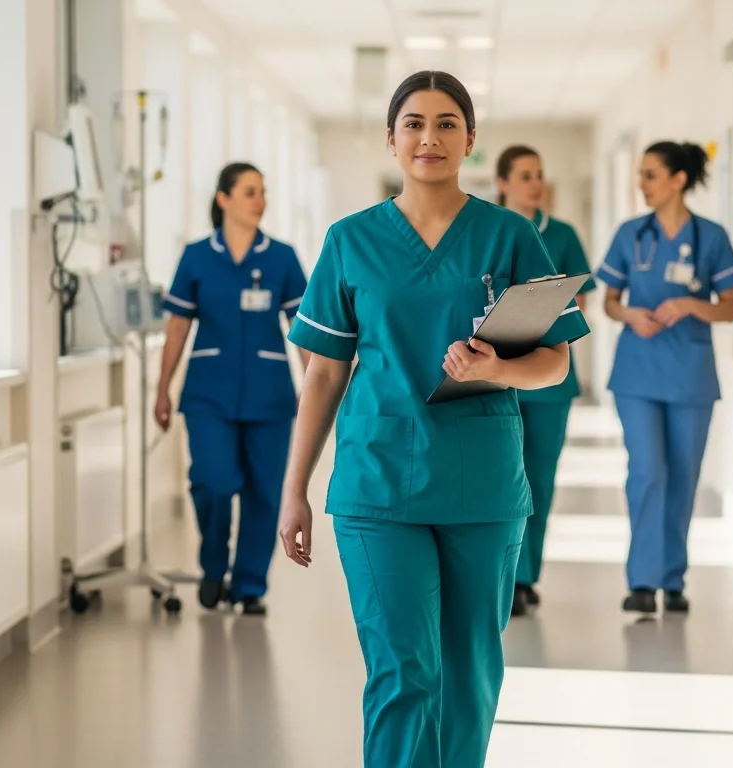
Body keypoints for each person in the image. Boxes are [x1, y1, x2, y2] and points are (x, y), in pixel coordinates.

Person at [278, 71, 590, 768]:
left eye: (448, 123)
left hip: (479, 482)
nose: (430, 137)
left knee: (470, 674)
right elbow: (324, 371)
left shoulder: (508, 236)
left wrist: (496, 369)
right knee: (403, 672)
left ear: (471, 140)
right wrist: (293, 487)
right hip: (377, 480)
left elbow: (555, 362)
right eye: (414, 123)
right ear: (391, 139)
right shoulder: (350, 240)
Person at [595, 141, 733, 616]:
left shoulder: (712, 237)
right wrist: (628, 314)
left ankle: (673, 578)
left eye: (651, 174)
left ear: (679, 179)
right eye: (641, 174)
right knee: (647, 472)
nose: (641, 183)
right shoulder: (630, 234)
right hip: (638, 373)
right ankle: (642, 580)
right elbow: (608, 300)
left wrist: (689, 305)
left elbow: (729, 309)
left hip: (691, 377)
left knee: (683, 477)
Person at [154, 161, 309, 616]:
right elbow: (177, 327)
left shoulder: (281, 257)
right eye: (249, 192)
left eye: (262, 192)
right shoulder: (197, 256)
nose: (260, 201)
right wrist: (161, 389)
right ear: (223, 199)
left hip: (270, 394)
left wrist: (315, 386)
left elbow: (302, 326)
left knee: (264, 491)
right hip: (207, 393)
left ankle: (248, 586)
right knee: (213, 481)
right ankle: (213, 565)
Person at [493, 145, 597, 617]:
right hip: (497, 377)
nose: (535, 184)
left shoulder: (564, 235)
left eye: (540, 174)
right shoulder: (489, 231)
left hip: (551, 381)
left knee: (539, 479)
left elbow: (582, 303)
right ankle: (502, 574)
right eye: (525, 175)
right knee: (500, 480)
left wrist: (539, 322)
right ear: (503, 183)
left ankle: (525, 576)